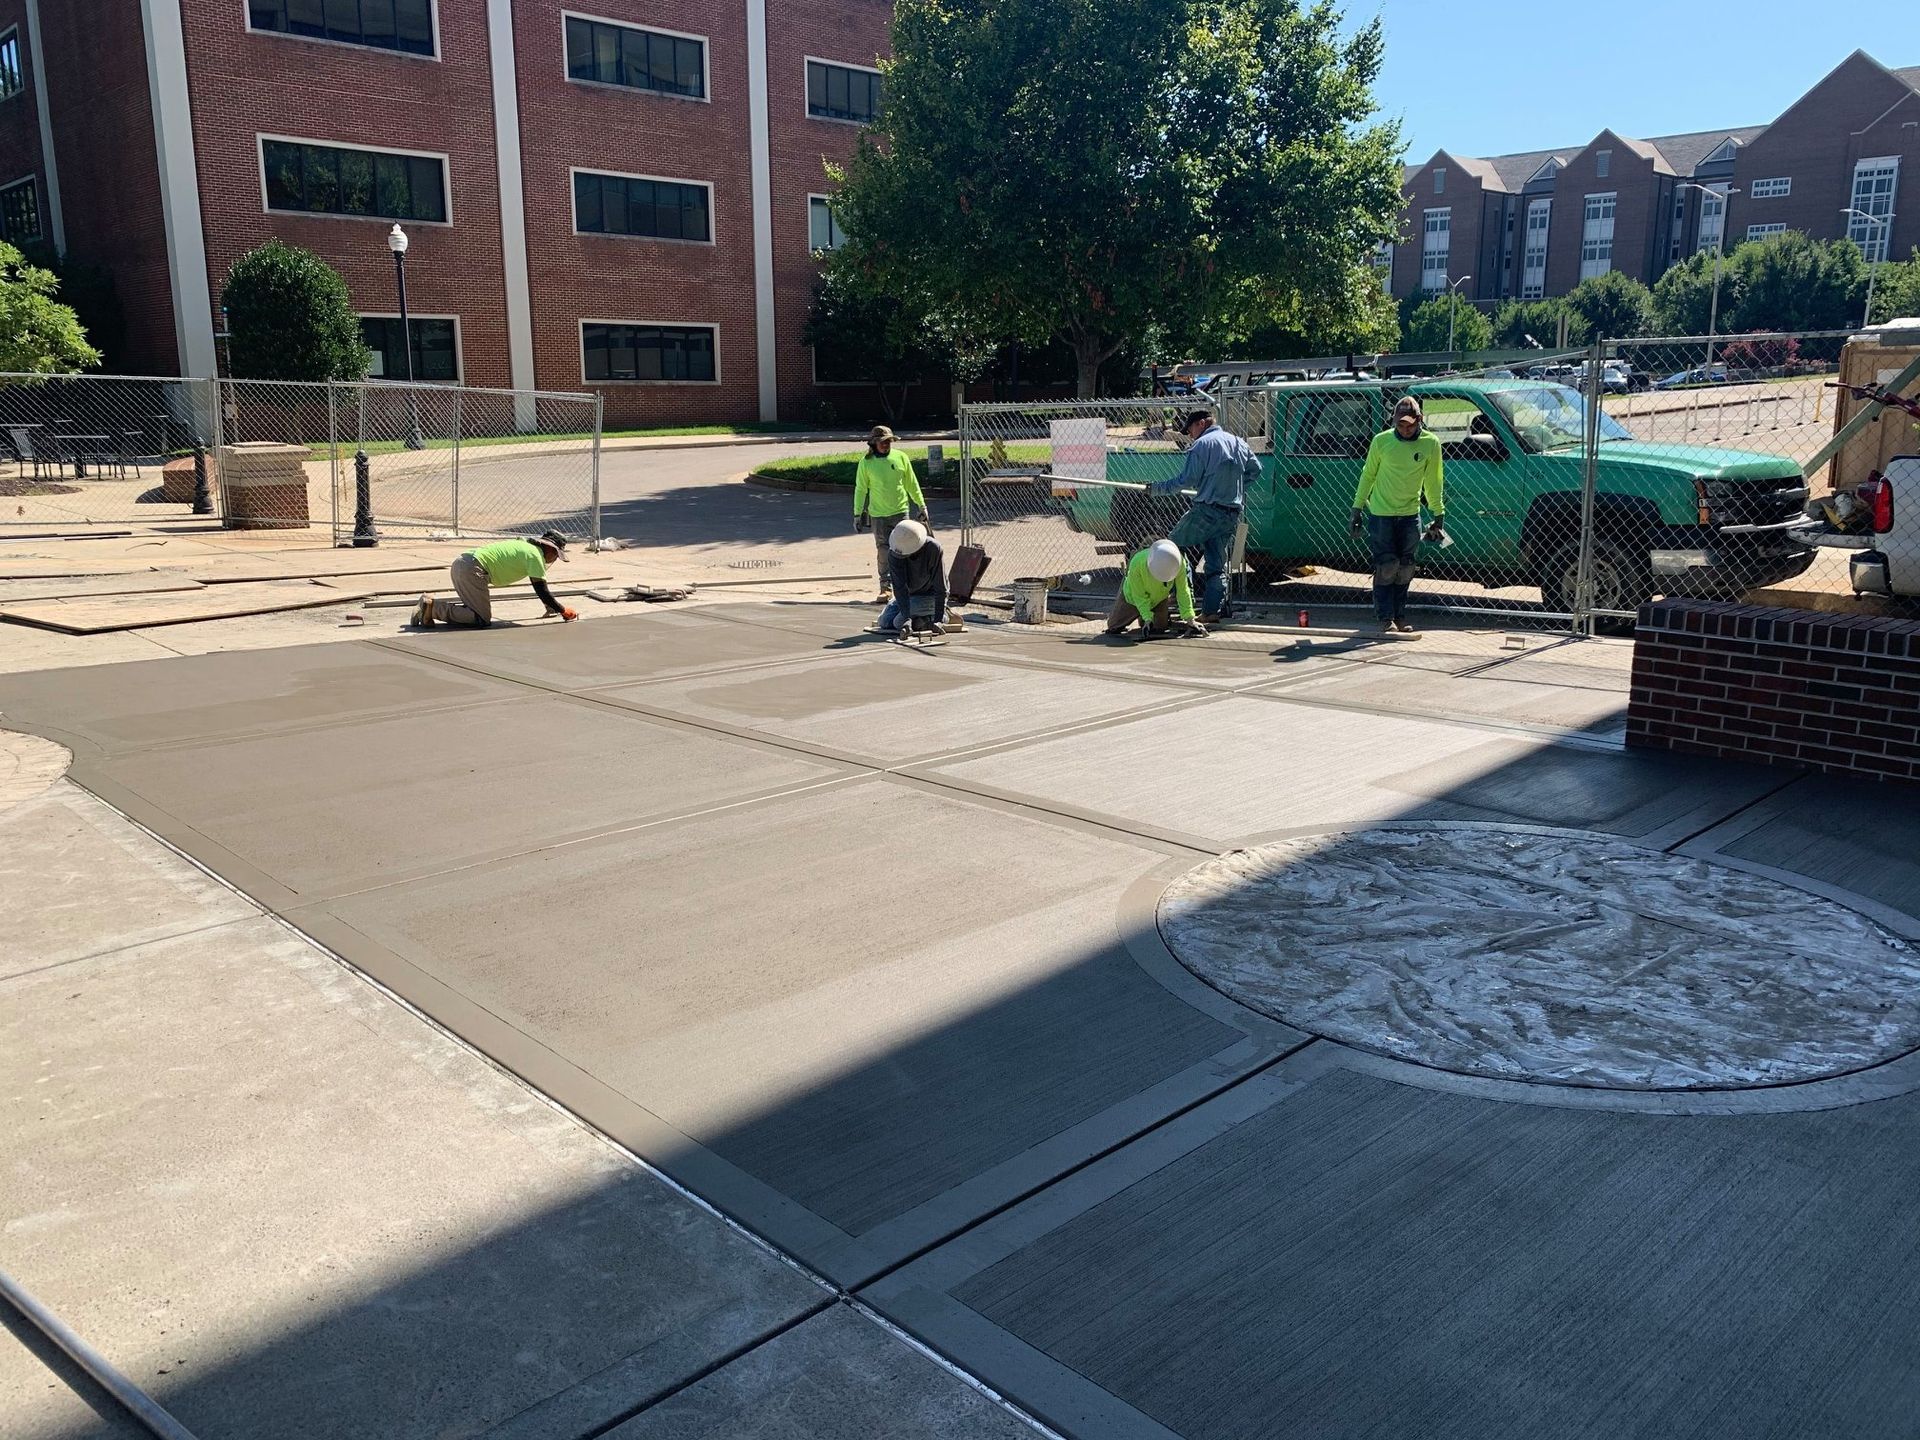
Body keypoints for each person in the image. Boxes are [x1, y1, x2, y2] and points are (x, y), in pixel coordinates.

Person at [1149, 409, 1261, 622]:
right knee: (1216, 565)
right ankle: (1210, 612)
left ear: (1201, 423)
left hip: (1206, 511)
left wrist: (1156, 489)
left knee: (1171, 549)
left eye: (1190, 429)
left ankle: (1182, 599)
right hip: (1231, 512)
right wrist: (1235, 487)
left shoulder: (1201, 446)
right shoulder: (1238, 442)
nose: (1190, 435)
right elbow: (1256, 470)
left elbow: (1185, 481)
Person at [1351, 397, 1445, 636]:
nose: (1406, 429)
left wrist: (1438, 513)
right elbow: (1368, 474)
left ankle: (1400, 615)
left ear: (1420, 421)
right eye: (1401, 425)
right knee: (1387, 565)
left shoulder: (1430, 443)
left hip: (1409, 514)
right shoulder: (1381, 441)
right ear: (1393, 421)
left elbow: (1433, 481)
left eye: (1411, 425)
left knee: (1406, 566)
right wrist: (1357, 508)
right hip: (1382, 514)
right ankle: (1385, 617)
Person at [413, 531, 576, 628]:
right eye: (556, 554)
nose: (554, 558)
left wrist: (551, 607)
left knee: (473, 611)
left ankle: (430, 609)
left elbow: (539, 587)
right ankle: (431, 608)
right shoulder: (535, 555)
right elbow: (541, 589)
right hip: (473, 570)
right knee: (481, 619)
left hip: (464, 564)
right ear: (549, 547)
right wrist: (563, 610)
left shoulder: (526, 547)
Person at [853, 425, 930, 604]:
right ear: (874, 444)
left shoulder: (901, 457)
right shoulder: (866, 462)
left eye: (889, 441)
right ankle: (885, 587)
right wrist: (857, 514)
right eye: (882, 442)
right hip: (878, 515)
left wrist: (921, 505)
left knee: (907, 549)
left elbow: (912, 483)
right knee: (883, 549)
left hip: (900, 512)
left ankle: (907, 586)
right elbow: (861, 489)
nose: (886, 445)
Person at [1105, 539, 1207, 639]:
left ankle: (1145, 618)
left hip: (1159, 599)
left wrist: (1190, 619)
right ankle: (1143, 617)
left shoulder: (1179, 563)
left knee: (1159, 629)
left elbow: (1183, 591)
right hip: (1132, 599)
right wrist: (1147, 618)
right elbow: (1139, 595)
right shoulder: (1137, 563)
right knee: (1113, 626)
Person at [868, 518, 948, 637]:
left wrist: (938, 619)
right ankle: (923, 619)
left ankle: (942, 615)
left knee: (897, 622)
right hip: (911, 596)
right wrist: (907, 619)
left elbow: (940, 587)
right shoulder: (894, 554)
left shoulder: (933, 549)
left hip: (930, 596)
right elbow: (900, 588)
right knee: (884, 621)